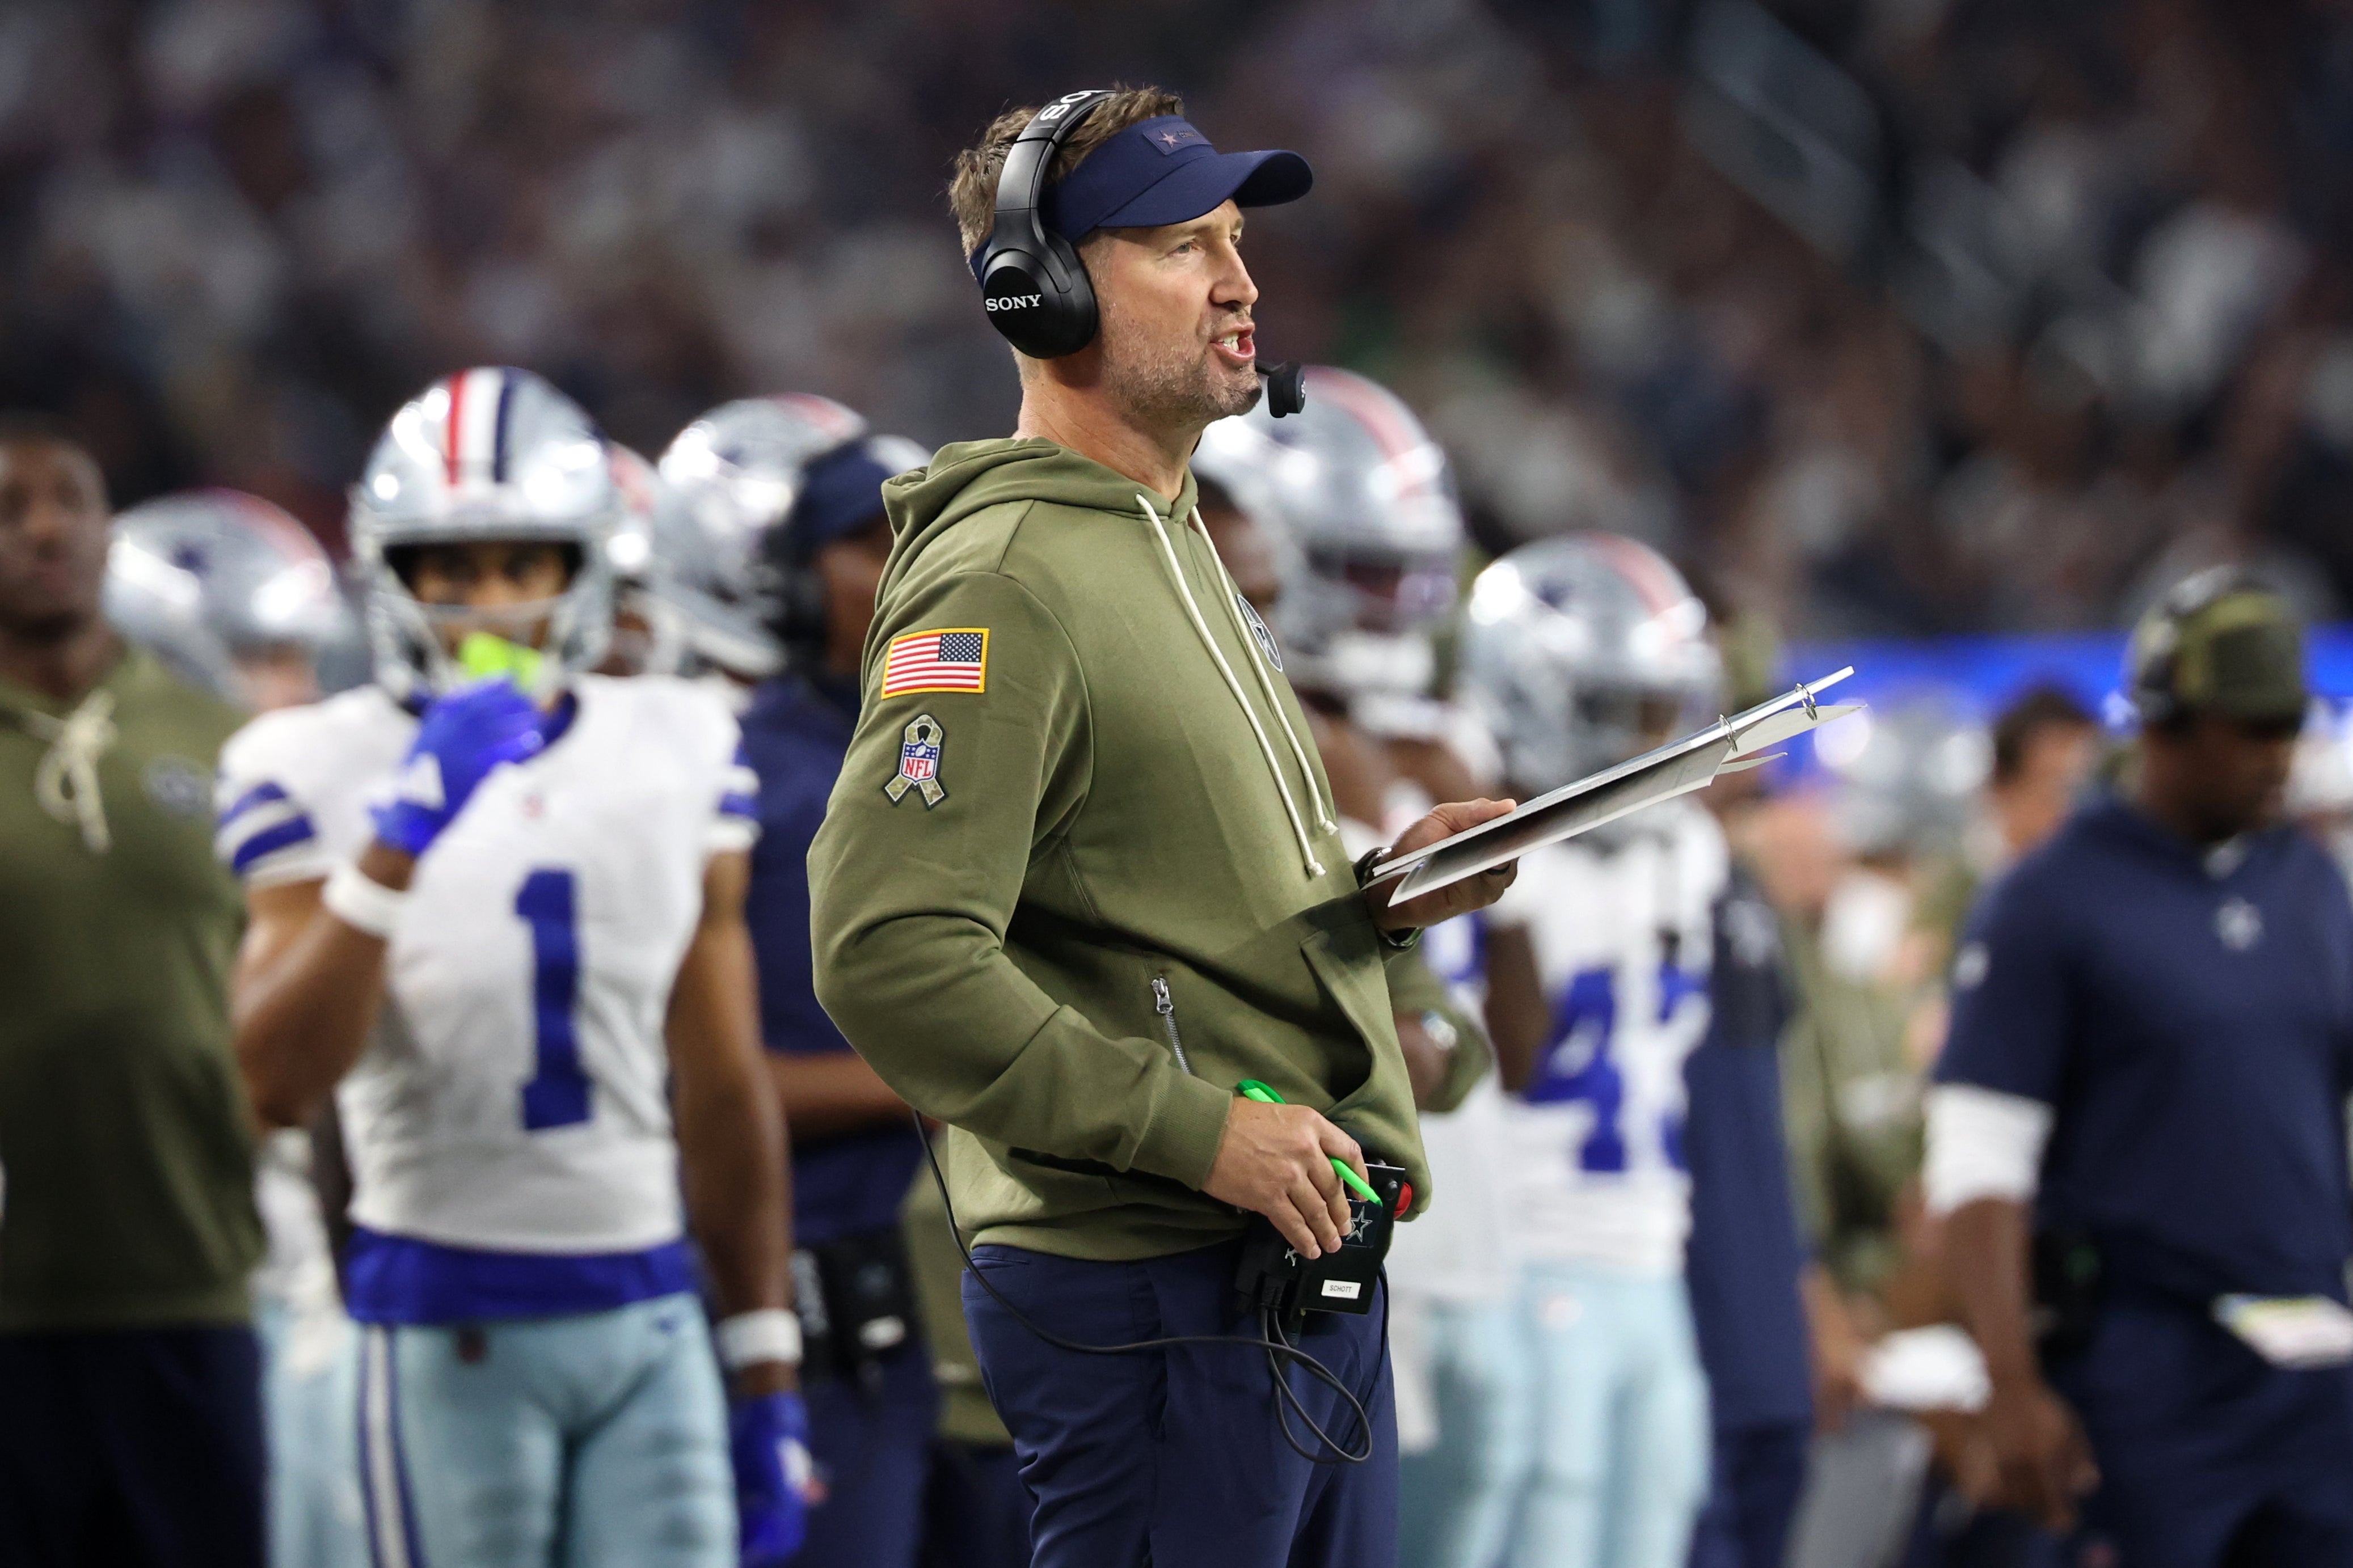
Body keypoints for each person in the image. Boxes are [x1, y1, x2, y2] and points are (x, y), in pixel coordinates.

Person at [806, 86, 1519, 1568]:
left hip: (1277, 1276)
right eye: (1183, 244)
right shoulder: (1004, 575)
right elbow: (889, 950)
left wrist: (1368, 896)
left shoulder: (1168, 535)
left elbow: (1135, 889)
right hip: (1155, 1287)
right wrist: (1197, 1131)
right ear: (1042, 284)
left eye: (1238, 240)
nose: (1243, 281)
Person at [217, 367, 808, 1568]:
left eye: (520, 565)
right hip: (442, 1317)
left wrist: (761, 1356)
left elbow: (720, 1082)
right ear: (392, 576)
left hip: (648, 1316)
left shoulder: (678, 744)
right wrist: (398, 841)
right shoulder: (310, 764)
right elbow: (273, 1082)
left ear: (583, 569)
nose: (487, 606)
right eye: (450, 570)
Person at [1929, 569, 2353, 1565]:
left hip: (2314, 1358)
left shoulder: (2309, 882)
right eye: (2250, 728)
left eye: (2288, 725)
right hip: (2143, 1361)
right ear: (2165, 725)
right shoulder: (2048, 898)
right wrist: (2014, 1381)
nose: (2278, 754)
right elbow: (1977, 1162)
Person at [1193, 375, 1507, 1565]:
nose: (1390, 610)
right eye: (1360, 573)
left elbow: (1457, 1033)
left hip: (1434, 1206)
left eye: (1403, 575)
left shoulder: (1435, 737)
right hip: (1299, 1218)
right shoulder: (1260, 744)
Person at [665, 394, 950, 1568]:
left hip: (952, 1311)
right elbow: (706, 1085)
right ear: (790, 583)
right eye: (873, 540)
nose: (907, 569)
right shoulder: (734, 778)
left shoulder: (970, 749)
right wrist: (940, 1079)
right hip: (795, 1300)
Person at [0, 423, 269, 1566]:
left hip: (195, 1277)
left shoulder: (232, 745)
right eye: (12, 507)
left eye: (72, 500)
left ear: (113, 531)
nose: (46, 527)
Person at [108, 487, 371, 1568]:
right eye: (266, 655)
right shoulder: (94, 844)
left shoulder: (307, 828)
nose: (301, 690)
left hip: (302, 1288)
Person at [1464, 532, 1726, 1568]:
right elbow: (1515, 1053)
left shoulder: (1691, 854)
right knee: (1549, 1526)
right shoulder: (1490, 860)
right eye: (1627, 713)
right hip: (1536, 1246)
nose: (1654, 743)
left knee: (1661, 1512)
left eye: (1665, 712)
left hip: (1653, 1250)